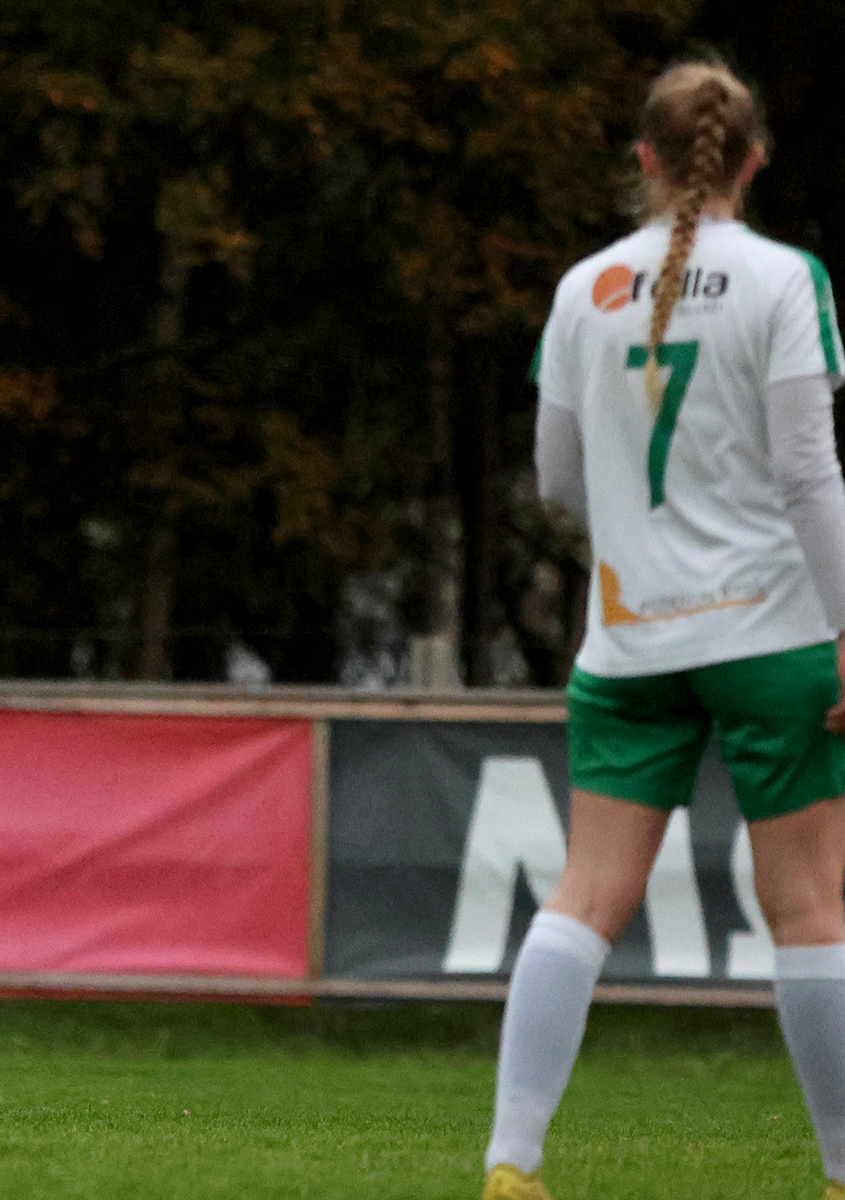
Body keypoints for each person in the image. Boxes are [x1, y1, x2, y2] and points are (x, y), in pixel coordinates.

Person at [485, 61, 845, 1200]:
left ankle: (511, 1163)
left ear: (642, 159)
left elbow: (554, 477)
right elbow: (805, 473)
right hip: (775, 634)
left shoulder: (583, 286)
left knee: (584, 899)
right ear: (754, 159)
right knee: (809, 905)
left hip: (630, 640)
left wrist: (646, 539)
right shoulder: (787, 279)